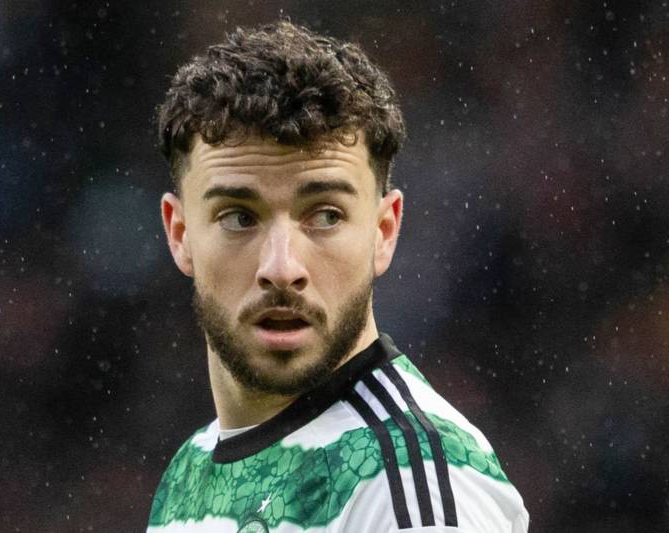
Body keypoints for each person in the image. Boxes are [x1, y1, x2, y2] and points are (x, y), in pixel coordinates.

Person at [147, 21, 529, 533]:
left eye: (325, 216)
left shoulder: (407, 490)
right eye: (238, 217)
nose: (282, 268)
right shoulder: (190, 469)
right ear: (179, 234)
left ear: (383, 232)